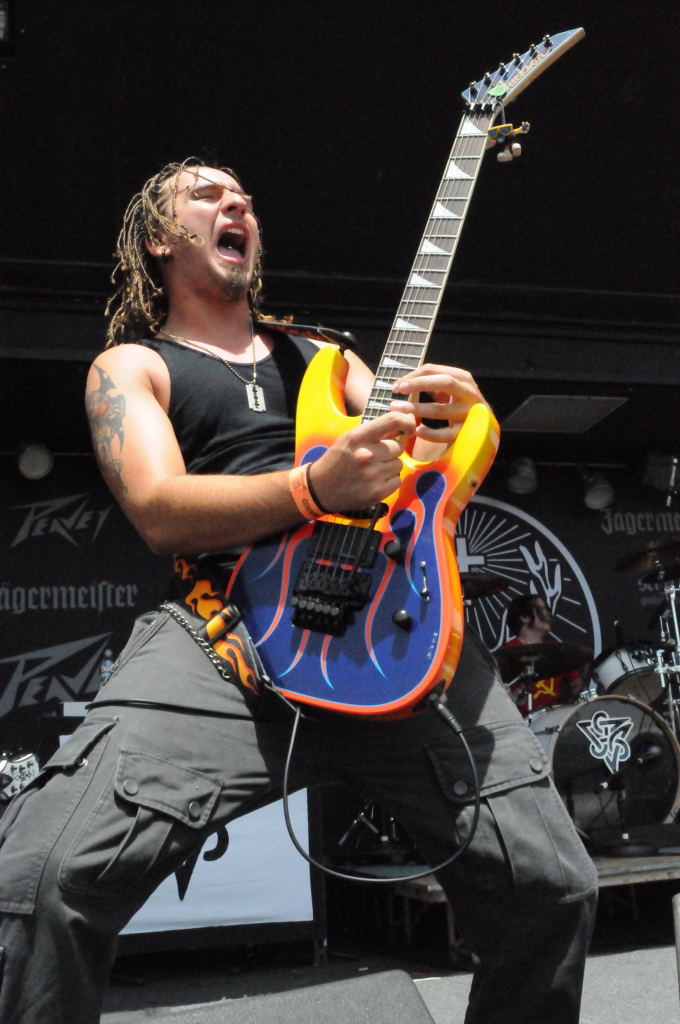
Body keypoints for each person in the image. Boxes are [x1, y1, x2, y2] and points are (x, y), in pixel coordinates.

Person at [0, 159, 598, 1024]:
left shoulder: (326, 357)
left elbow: (420, 470)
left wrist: (462, 416)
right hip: (220, 638)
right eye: (207, 195)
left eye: (243, 196)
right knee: (39, 879)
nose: (235, 203)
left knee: (553, 884)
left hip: (389, 626)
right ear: (160, 238)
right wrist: (313, 488)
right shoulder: (134, 366)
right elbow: (160, 509)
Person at [502, 594, 585, 717]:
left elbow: (577, 685)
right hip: (519, 722)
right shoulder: (506, 654)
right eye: (541, 609)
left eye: (547, 609)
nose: (548, 614)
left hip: (555, 719)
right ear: (524, 617)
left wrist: (579, 692)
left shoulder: (557, 651)